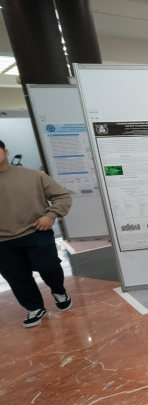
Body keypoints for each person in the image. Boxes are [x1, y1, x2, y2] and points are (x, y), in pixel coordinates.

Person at [0, 138, 73, 327]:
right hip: (2, 242)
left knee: (49, 267)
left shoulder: (33, 176)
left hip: (36, 233)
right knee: (17, 277)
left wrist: (51, 215)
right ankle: (35, 307)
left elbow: (62, 196)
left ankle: (59, 291)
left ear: (6, 152)